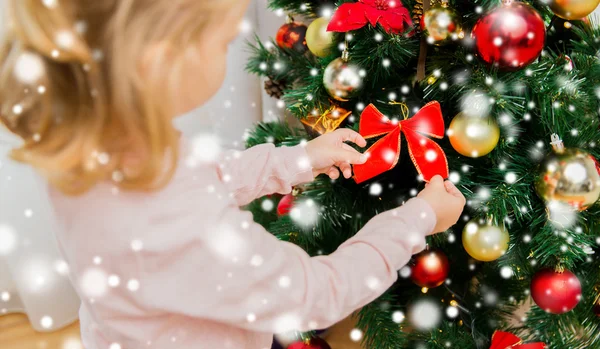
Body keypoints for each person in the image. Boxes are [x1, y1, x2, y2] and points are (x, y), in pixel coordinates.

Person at [0, 0, 466, 348]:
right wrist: (418, 218)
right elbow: (318, 292)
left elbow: (205, 176)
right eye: (223, 41)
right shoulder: (181, 224)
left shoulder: (92, 143)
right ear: (158, 63)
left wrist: (297, 160)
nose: (227, 51)